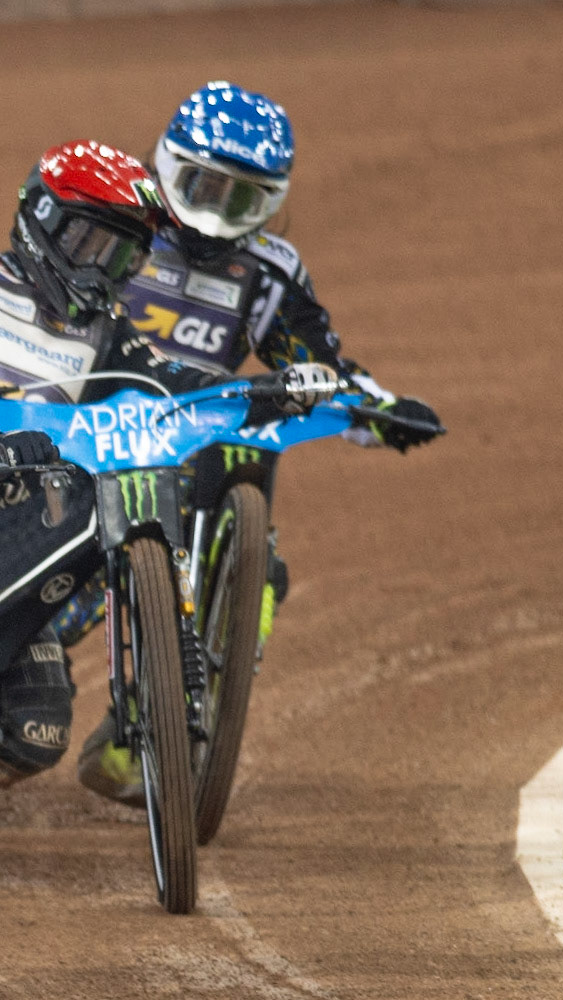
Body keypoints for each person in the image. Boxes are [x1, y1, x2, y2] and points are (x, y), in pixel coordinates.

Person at [73, 82, 445, 803]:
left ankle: (170, 705)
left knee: (263, 568)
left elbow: (315, 365)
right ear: (169, 165)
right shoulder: (120, 224)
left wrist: (378, 412)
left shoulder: (271, 273)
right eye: (207, 186)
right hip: (86, 436)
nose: (218, 211)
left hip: (188, 441)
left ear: (270, 202)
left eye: (242, 199)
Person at [0, 140, 236, 781]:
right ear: (41, 217)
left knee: (39, 734)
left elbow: (171, 389)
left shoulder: (109, 334)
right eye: (88, 243)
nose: (100, 270)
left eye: (120, 254)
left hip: (24, 531)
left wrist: (266, 395)